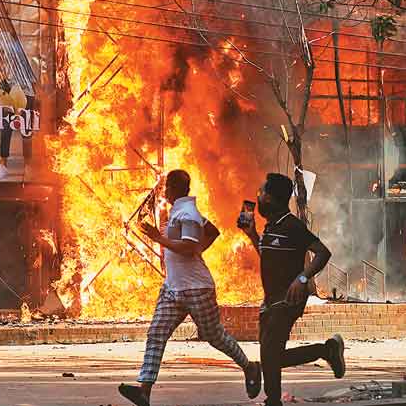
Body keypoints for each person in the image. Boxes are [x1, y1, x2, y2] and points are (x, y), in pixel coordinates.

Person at [118, 169, 262, 406]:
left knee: (214, 336)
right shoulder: (181, 210)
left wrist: (159, 238)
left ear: (174, 188)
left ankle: (250, 367)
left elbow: (187, 247)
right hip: (173, 287)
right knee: (156, 333)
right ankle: (144, 390)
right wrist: (198, 250)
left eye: (166, 187)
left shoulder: (188, 214)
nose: (163, 191)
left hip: (197, 288)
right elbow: (212, 231)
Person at [240, 172, 346, 406]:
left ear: (273, 198)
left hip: (288, 299)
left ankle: (273, 400)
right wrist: (252, 235)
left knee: (269, 353)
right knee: (271, 356)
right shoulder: (270, 227)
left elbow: (322, 252)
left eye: (262, 192)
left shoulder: (292, 225)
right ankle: (327, 350)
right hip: (271, 299)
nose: (258, 197)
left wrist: (302, 278)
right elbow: (267, 257)